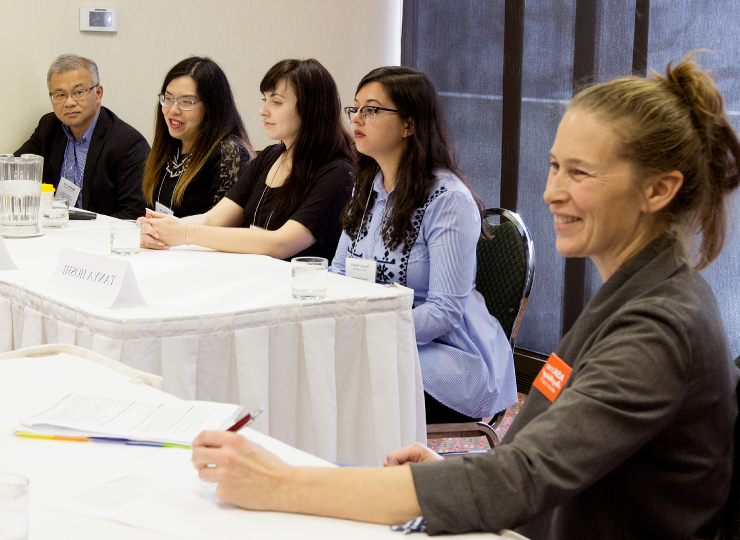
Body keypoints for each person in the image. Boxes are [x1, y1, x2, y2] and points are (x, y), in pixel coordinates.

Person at [191, 53, 740, 539]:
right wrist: (448, 472)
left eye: (580, 172)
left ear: (658, 189)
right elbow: (540, 445)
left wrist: (283, 484)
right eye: (553, 166)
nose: (551, 191)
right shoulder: (629, 294)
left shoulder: (657, 326)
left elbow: (521, 478)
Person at [331, 66, 517, 423]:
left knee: (336, 389)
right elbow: (338, 272)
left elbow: (445, 312)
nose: (357, 118)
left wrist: (367, 332)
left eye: (371, 109)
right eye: (354, 108)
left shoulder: (447, 199)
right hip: (376, 342)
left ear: (409, 124)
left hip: (449, 360)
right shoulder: (368, 189)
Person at [139, 58, 353, 261]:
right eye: (264, 100)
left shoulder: (337, 173)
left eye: (276, 102)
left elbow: (280, 244)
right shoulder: (270, 156)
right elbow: (215, 219)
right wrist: (161, 227)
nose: (263, 111)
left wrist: (183, 232)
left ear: (310, 109)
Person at [15, 54, 149, 219]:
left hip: (98, 238)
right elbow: (16, 168)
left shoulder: (127, 143)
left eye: (78, 92)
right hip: (53, 230)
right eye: (60, 95)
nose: (69, 102)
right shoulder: (49, 126)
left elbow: (135, 213)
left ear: (98, 93)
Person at [141, 57, 253, 218]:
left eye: (186, 102)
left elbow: (221, 228)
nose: (173, 110)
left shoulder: (229, 152)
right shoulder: (170, 146)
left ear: (211, 107)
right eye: (168, 98)